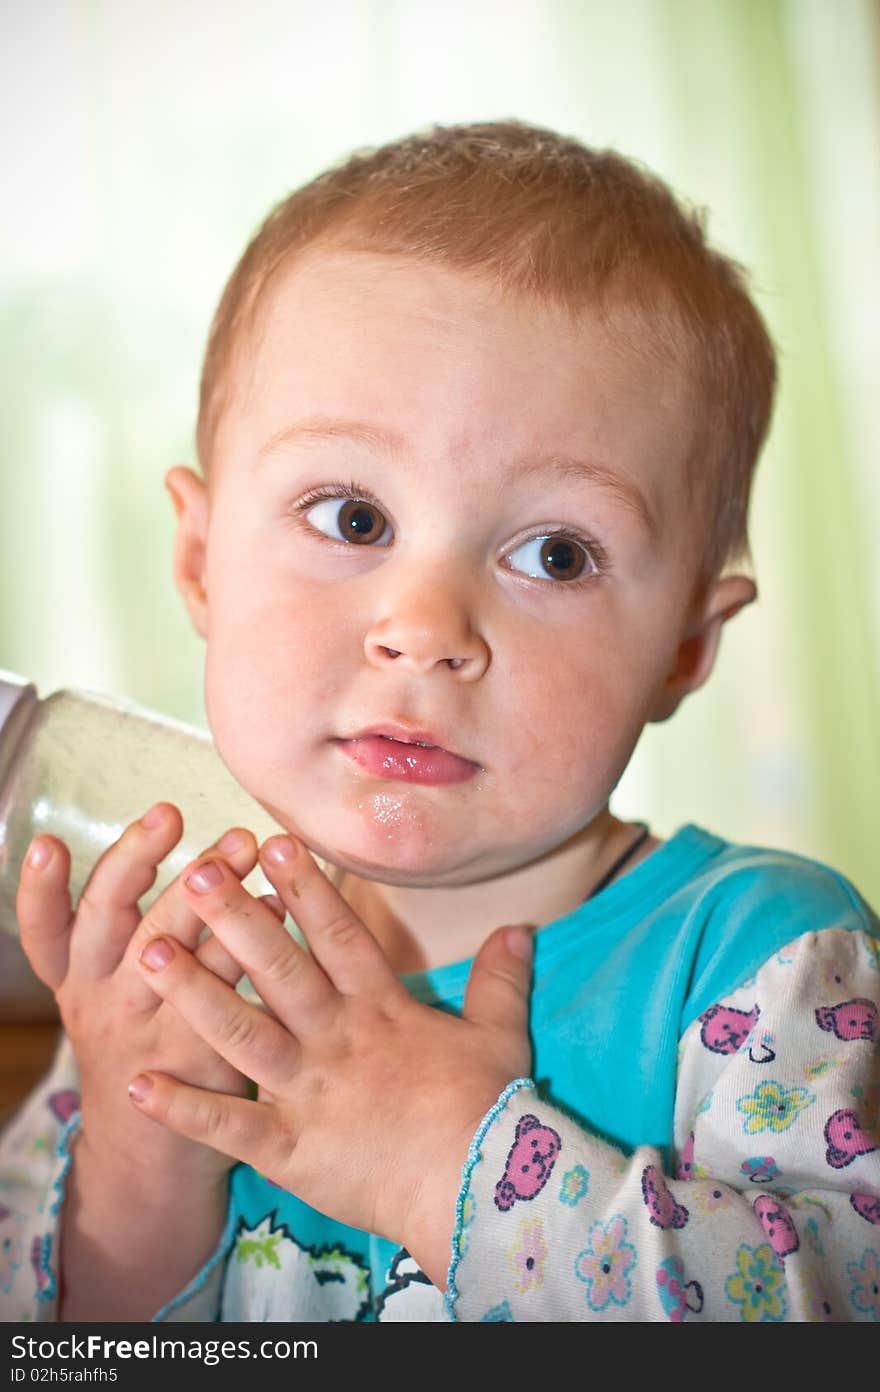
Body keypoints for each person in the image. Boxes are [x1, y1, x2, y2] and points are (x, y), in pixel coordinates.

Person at [1, 119, 878, 1323]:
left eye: (555, 552)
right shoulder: (181, 964)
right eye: (352, 517)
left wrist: (447, 1162)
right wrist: (137, 1158)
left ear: (683, 642)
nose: (424, 628)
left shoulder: (764, 961)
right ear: (202, 561)